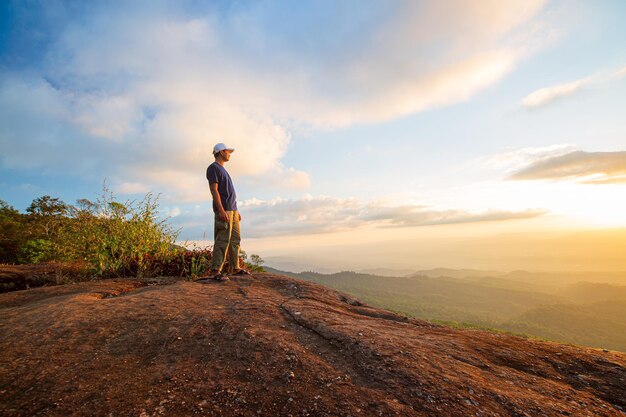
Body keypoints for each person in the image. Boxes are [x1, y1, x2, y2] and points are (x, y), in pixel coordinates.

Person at [200, 143, 251, 282]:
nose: (229, 154)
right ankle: (216, 271)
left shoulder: (223, 169)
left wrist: (236, 210)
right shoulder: (213, 168)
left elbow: (229, 193)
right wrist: (221, 210)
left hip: (232, 210)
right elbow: (214, 190)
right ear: (221, 152)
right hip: (224, 210)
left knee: (235, 240)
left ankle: (235, 268)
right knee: (222, 240)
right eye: (228, 152)